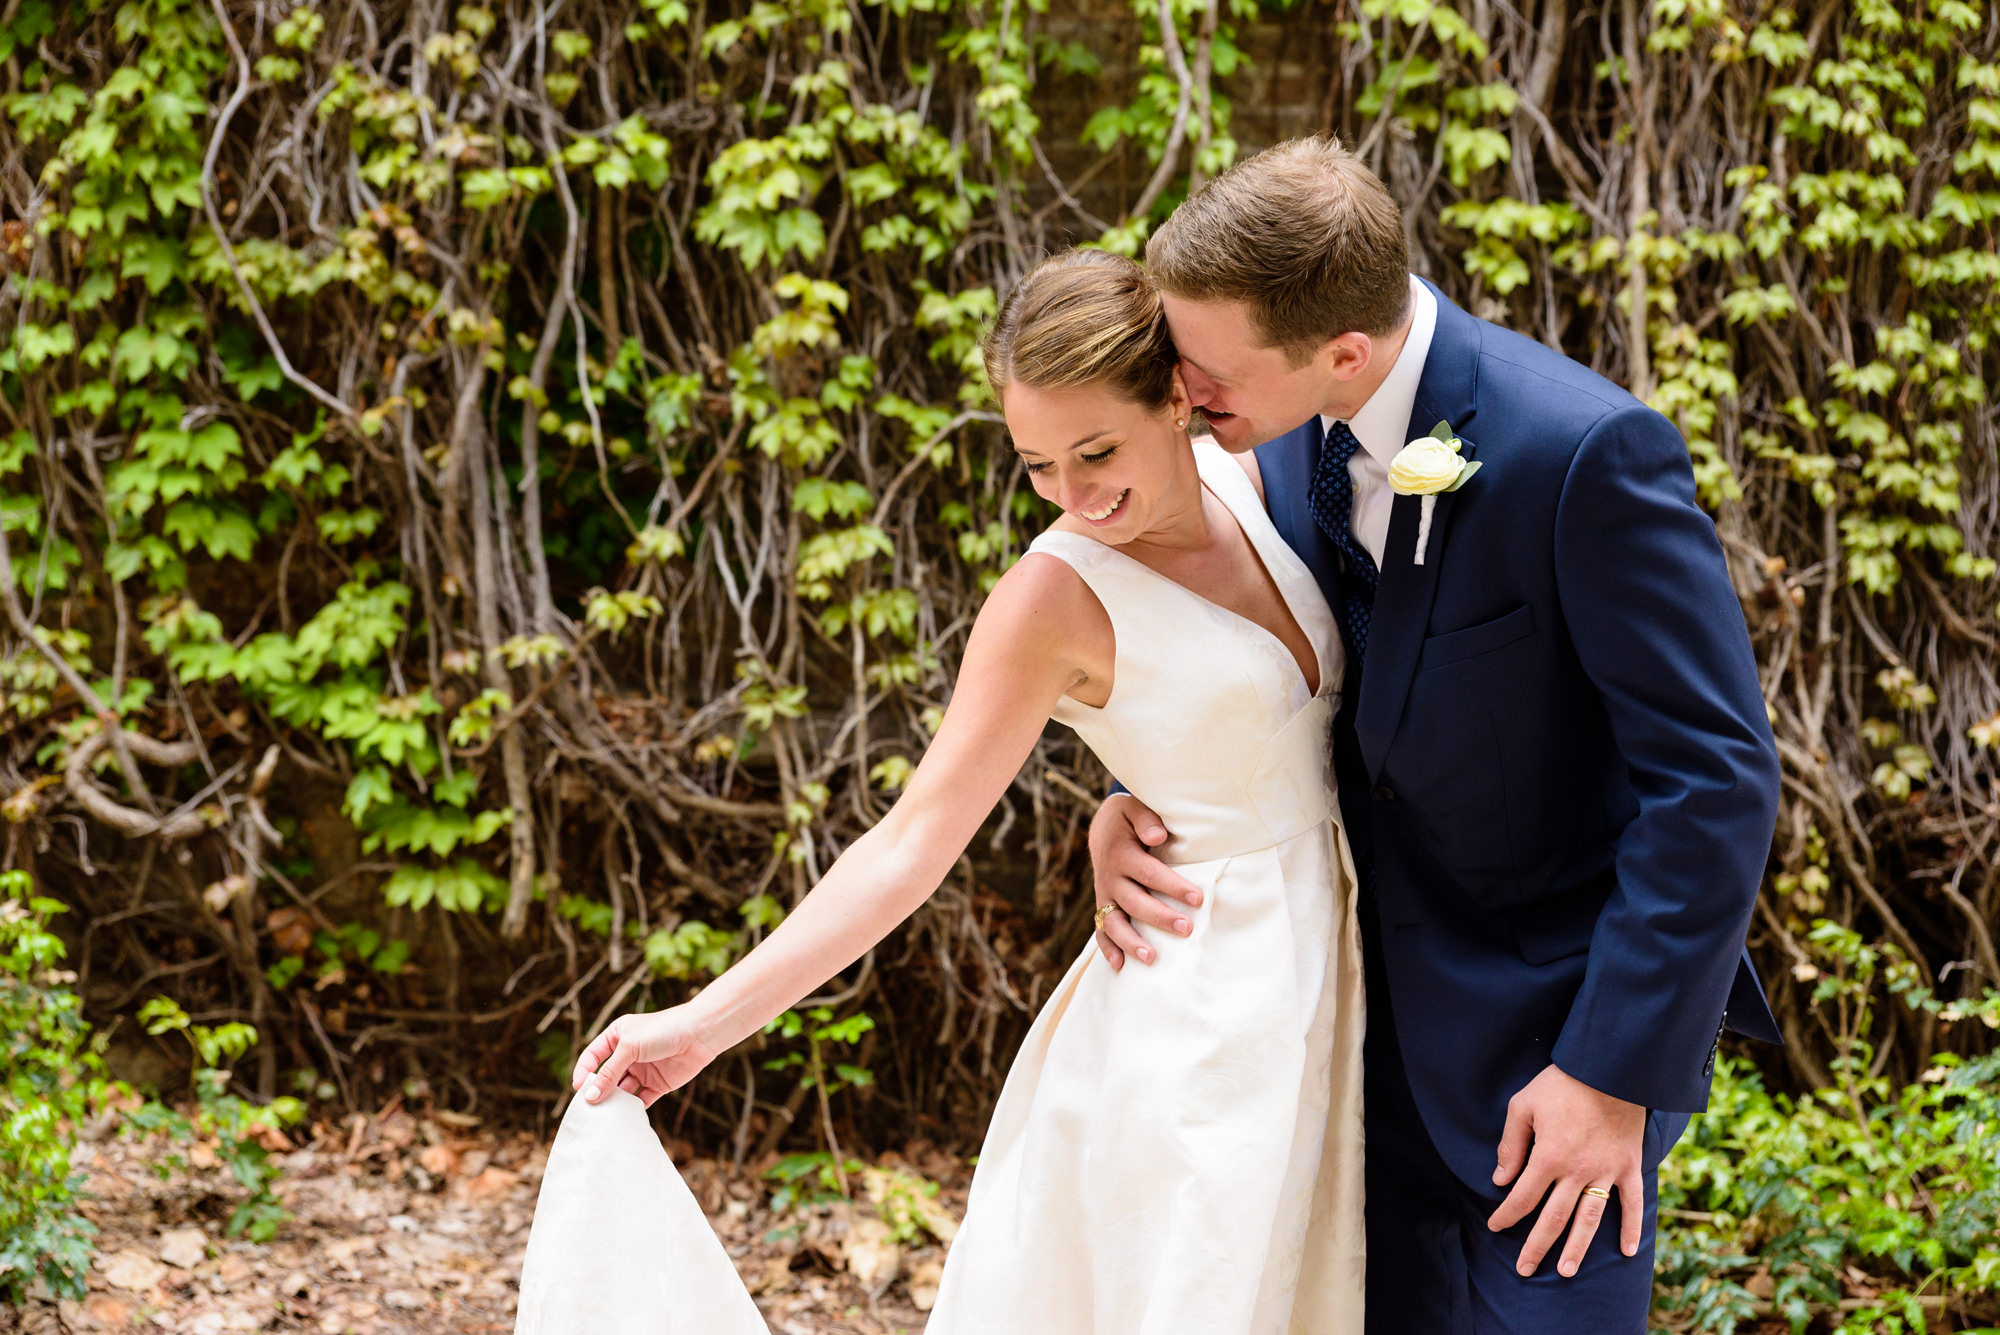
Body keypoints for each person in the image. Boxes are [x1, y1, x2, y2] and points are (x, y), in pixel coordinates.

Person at [512, 248, 1368, 1335]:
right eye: (1035, 466)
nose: (1074, 494)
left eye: (1095, 449)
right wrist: (701, 1025)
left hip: (1337, 976)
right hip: (1199, 1014)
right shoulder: (1046, 602)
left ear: (1175, 395)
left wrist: (1115, 804)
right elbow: (909, 840)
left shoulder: (1267, 481)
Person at [1085, 136, 1782, 1334]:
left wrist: (1610, 1075)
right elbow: (1267, 683)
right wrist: (1135, 806)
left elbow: (1713, 783)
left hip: (1545, 1073)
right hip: (1330, 1047)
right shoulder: (1274, 431)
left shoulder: (1580, 455)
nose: (1178, 394)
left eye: (1203, 369)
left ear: (1341, 350)